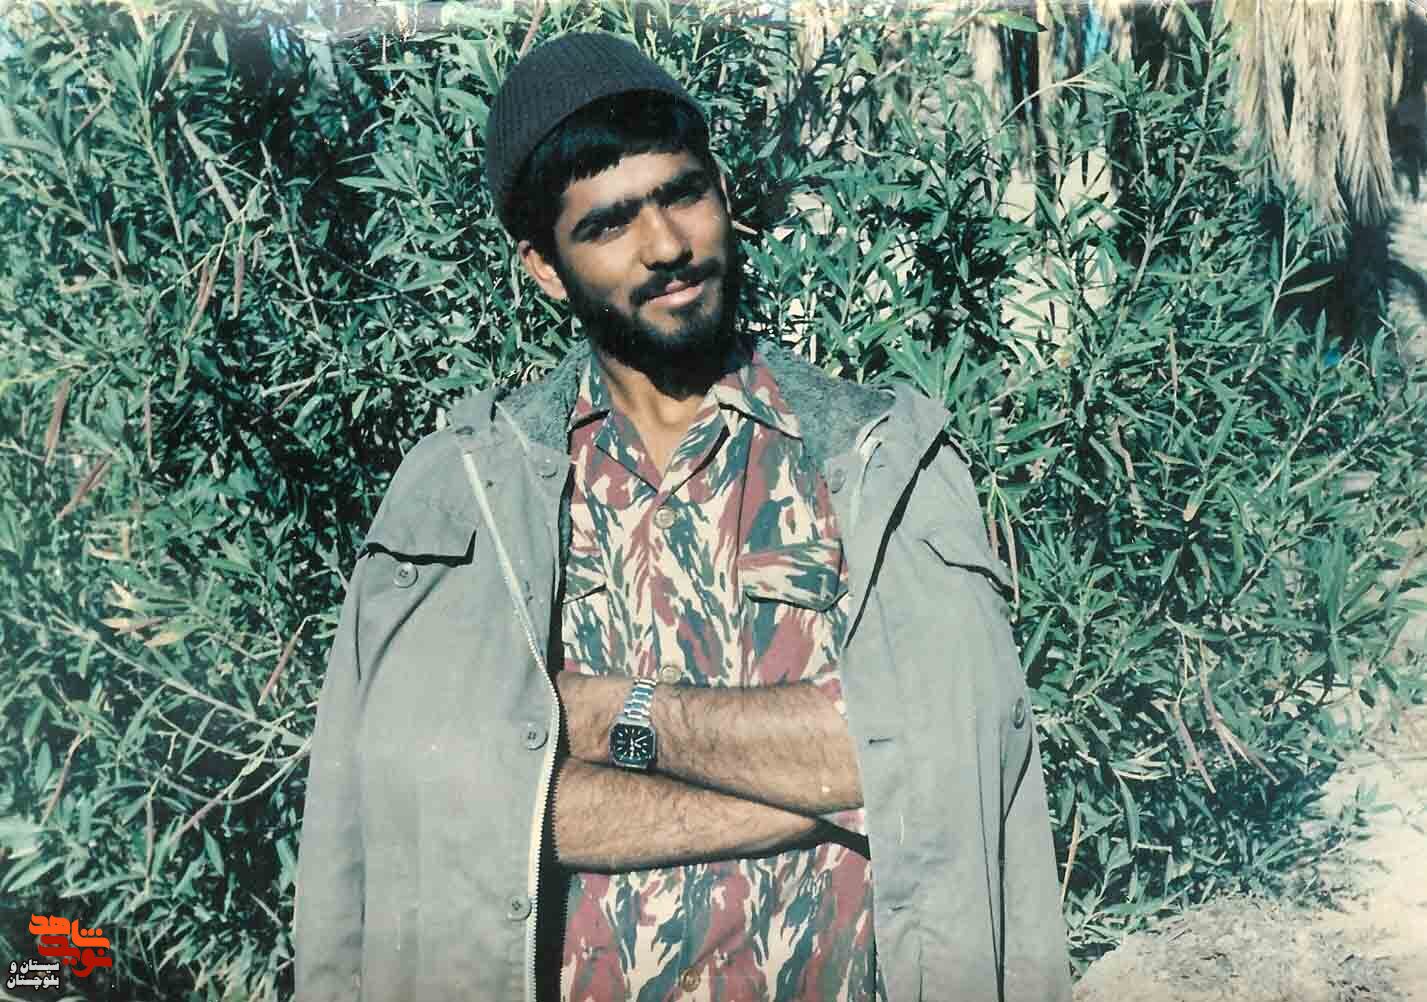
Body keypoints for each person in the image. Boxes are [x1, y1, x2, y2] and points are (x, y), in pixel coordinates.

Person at [294, 30, 1070, 1002]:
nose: (666, 246)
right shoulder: (465, 495)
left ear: (724, 194)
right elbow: (450, 805)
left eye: (681, 194)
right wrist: (821, 797)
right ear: (543, 267)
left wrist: (610, 717)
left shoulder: (875, 457)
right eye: (609, 223)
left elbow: (938, 747)